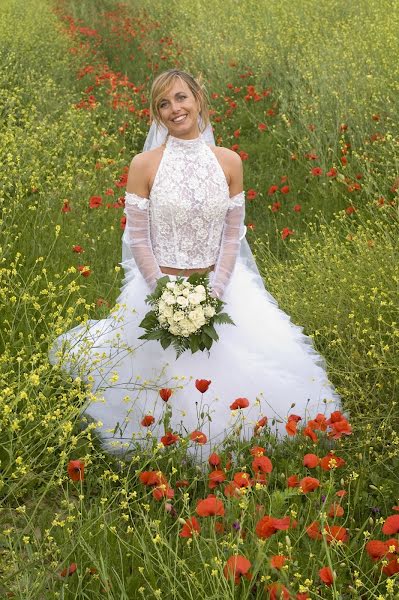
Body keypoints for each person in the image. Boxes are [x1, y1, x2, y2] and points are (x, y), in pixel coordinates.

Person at [49, 69, 341, 457]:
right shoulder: (144, 165)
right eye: (163, 104)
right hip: (160, 285)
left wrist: (214, 291)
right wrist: (165, 292)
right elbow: (137, 237)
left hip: (221, 284)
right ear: (157, 114)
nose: (175, 109)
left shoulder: (229, 162)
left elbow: (231, 235)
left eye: (181, 98)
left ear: (199, 99)